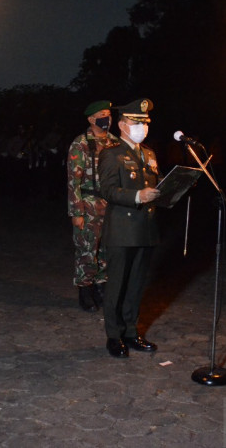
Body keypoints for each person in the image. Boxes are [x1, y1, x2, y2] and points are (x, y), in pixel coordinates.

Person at [98, 98, 161, 358]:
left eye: (145, 123)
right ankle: (114, 336)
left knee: (136, 285)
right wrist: (138, 197)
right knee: (117, 285)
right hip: (122, 229)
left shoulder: (148, 153)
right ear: (123, 125)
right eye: (137, 122)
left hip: (145, 229)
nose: (142, 127)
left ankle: (131, 332)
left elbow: (154, 187)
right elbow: (108, 190)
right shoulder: (111, 153)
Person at [67, 100, 120, 312]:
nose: (107, 117)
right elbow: (73, 181)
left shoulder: (116, 142)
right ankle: (85, 290)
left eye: (108, 113)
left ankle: (102, 286)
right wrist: (76, 212)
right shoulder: (80, 144)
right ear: (91, 119)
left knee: (107, 249)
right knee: (87, 249)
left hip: (112, 204)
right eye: (101, 114)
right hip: (88, 203)